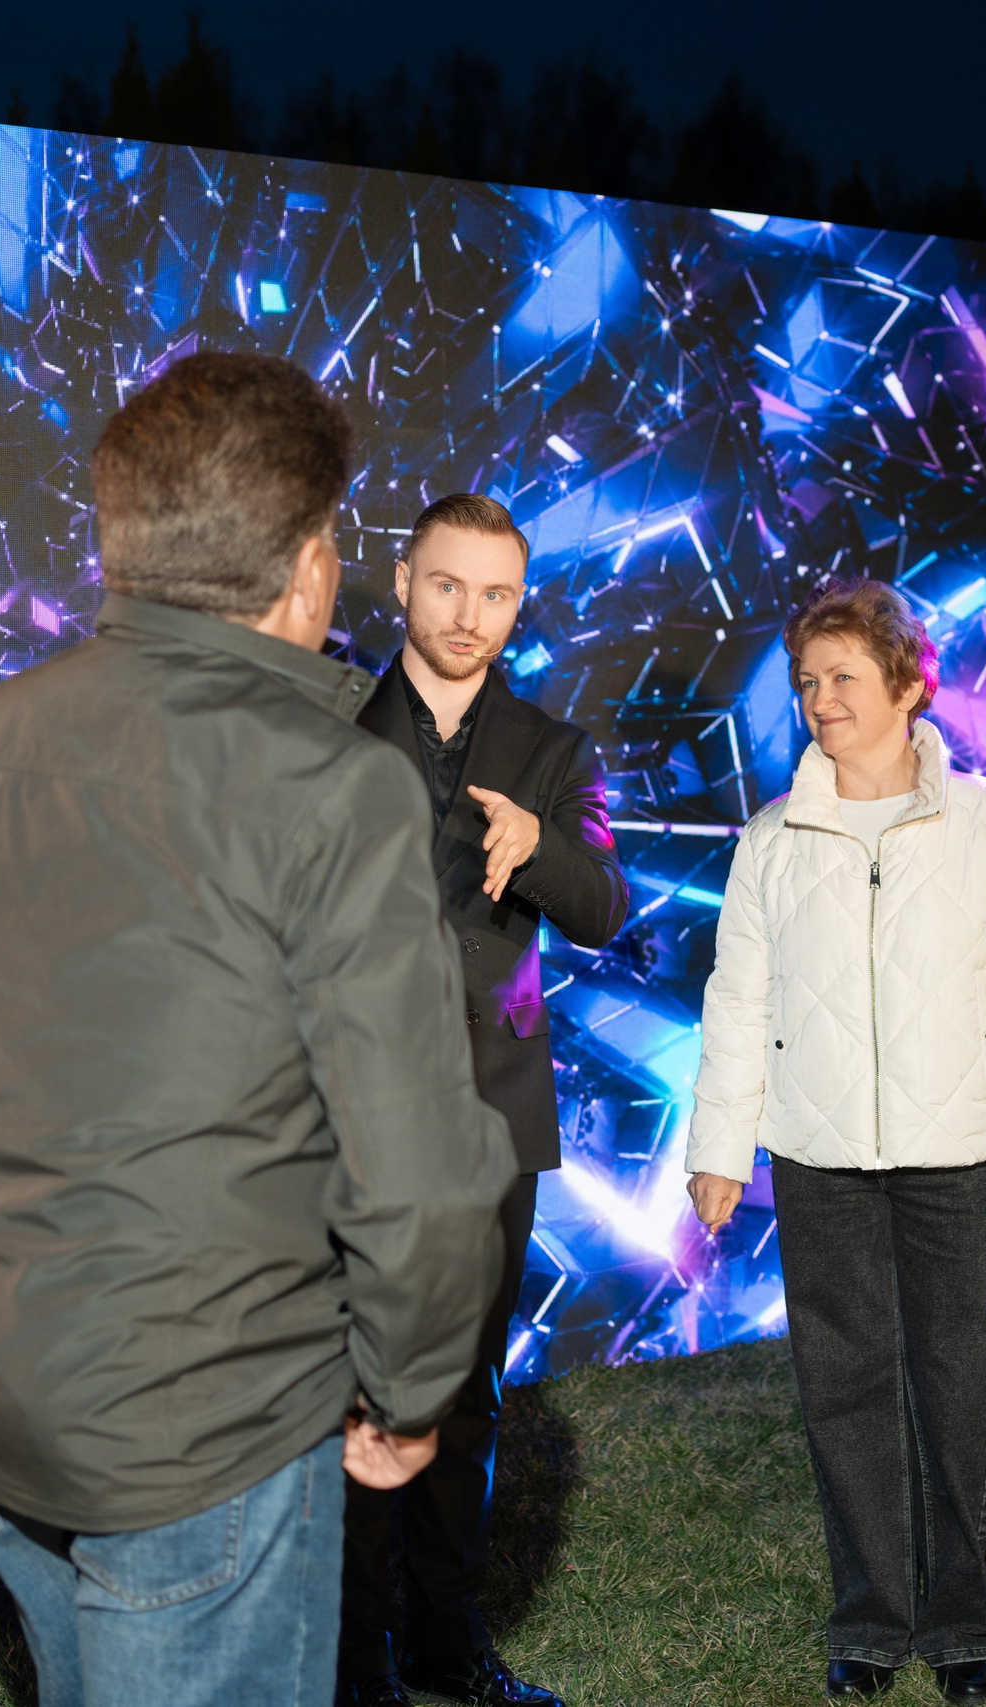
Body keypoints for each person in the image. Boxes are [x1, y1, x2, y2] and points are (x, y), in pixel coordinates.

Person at [0, 353, 517, 1707]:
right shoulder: (336, 786)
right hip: (206, 1428)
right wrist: (409, 1394)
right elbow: (412, 1161)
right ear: (310, 567)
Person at [684, 577, 986, 1705]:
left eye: (844, 676)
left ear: (909, 685)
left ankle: (960, 1625)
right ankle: (868, 1620)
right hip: (819, 1158)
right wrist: (719, 1150)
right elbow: (738, 1003)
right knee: (844, 1386)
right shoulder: (772, 839)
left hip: (962, 1154)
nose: (821, 698)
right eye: (807, 680)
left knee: (957, 1384)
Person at [339, 494, 630, 1707]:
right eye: (449, 585)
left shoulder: (552, 748)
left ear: (520, 604)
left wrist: (538, 850)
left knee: (464, 1393)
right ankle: (353, 1665)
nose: (471, 615)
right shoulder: (327, 723)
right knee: (352, 1396)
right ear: (404, 581)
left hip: (491, 1120)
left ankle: (448, 1653)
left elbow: (603, 905)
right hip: (345, 1117)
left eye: (498, 594)